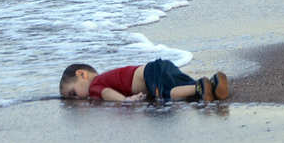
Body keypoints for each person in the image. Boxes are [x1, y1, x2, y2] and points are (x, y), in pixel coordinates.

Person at [59, 58, 229, 102]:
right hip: (159, 66)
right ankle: (212, 84)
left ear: (82, 74)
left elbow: (106, 93)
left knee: (167, 94)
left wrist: (125, 100)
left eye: (73, 93)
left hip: (149, 73)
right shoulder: (106, 77)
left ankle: (199, 87)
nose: (76, 98)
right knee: (182, 85)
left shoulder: (95, 85)